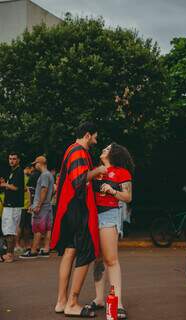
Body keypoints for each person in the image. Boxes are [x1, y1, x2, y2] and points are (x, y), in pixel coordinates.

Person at [51, 122, 107, 318]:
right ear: (87, 135)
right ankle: (72, 303)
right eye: (95, 136)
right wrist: (99, 170)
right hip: (77, 209)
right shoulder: (78, 151)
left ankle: (61, 301)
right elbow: (80, 180)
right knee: (86, 252)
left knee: (69, 252)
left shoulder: (70, 150)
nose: (96, 140)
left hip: (68, 210)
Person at [89, 142, 134, 319]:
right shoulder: (95, 170)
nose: (103, 150)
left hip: (109, 214)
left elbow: (128, 197)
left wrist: (111, 191)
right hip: (93, 215)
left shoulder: (122, 172)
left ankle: (118, 302)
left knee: (111, 260)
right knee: (97, 258)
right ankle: (99, 298)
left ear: (113, 153)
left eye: (107, 149)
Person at [20, 156, 54, 258]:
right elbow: (51, 190)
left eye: (35, 164)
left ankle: (34, 250)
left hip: (42, 205)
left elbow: (44, 189)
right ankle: (46, 249)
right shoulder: (50, 175)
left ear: (40, 163)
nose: (34, 166)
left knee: (37, 228)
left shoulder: (44, 175)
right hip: (47, 205)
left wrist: (38, 205)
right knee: (48, 228)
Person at [0, 152, 24, 263]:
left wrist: (4, 185)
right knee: (8, 230)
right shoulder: (13, 171)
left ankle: (9, 255)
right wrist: (6, 184)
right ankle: (9, 254)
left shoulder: (19, 172)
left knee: (10, 231)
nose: (11, 161)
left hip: (13, 206)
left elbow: (16, 188)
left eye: (14, 159)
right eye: (10, 159)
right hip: (9, 205)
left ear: (18, 160)